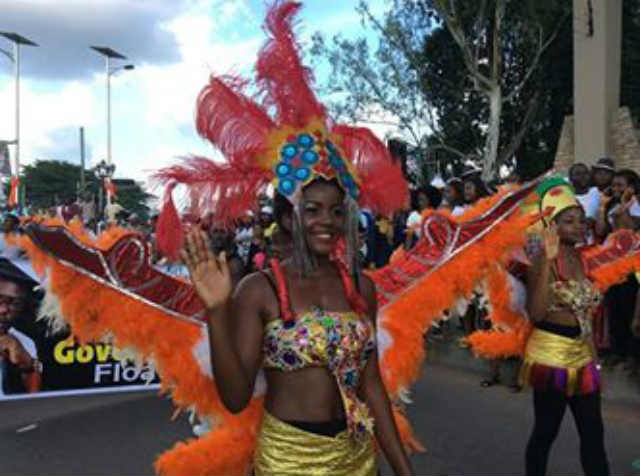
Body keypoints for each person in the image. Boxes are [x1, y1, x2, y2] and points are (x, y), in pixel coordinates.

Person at [521, 177, 609, 476]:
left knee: (594, 433)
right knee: (546, 433)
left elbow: (585, 316)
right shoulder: (540, 260)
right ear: (552, 226)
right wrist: (547, 257)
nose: (579, 225)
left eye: (581, 220)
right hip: (550, 358)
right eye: (569, 221)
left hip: (583, 355)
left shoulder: (584, 259)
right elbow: (535, 312)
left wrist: (594, 362)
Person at [0, 258, 41, 396]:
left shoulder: (25, 343)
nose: (3, 310)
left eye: (15, 303)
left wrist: (27, 365)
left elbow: (33, 401)